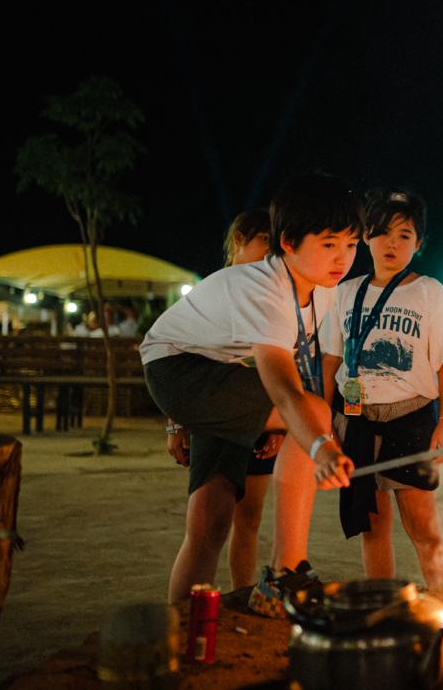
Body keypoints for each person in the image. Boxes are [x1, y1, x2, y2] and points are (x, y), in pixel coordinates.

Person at [140, 173, 359, 610]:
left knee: (211, 516)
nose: (343, 258)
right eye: (329, 243)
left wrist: (292, 430)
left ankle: (182, 624)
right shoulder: (263, 288)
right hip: (179, 371)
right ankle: (286, 571)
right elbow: (281, 385)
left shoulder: (321, 292)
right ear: (290, 243)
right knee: (313, 412)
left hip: (219, 373)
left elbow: (295, 371)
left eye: (352, 245)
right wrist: (317, 444)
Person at [321, 189, 443, 598]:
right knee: (373, 524)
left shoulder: (429, 292)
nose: (392, 243)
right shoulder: (346, 292)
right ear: (365, 237)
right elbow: (331, 360)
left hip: (412, 417)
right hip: (355, 419)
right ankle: (382, 606)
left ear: (419, 244)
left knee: (423, 525)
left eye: (404, 235)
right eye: (382, 232)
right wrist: (323, 416)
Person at [164, 208, 285, 590]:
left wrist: (281, 424)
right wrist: (175, 424)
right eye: (263, 240)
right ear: (239, 240)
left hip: (261, 418)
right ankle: (183, 618)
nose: (270, 254)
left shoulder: (270, 292)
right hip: (219, 418)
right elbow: (183, 359)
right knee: (206, 526)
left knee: (249, 519)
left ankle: (241, 598)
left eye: (275, 245)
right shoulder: (215, 289)